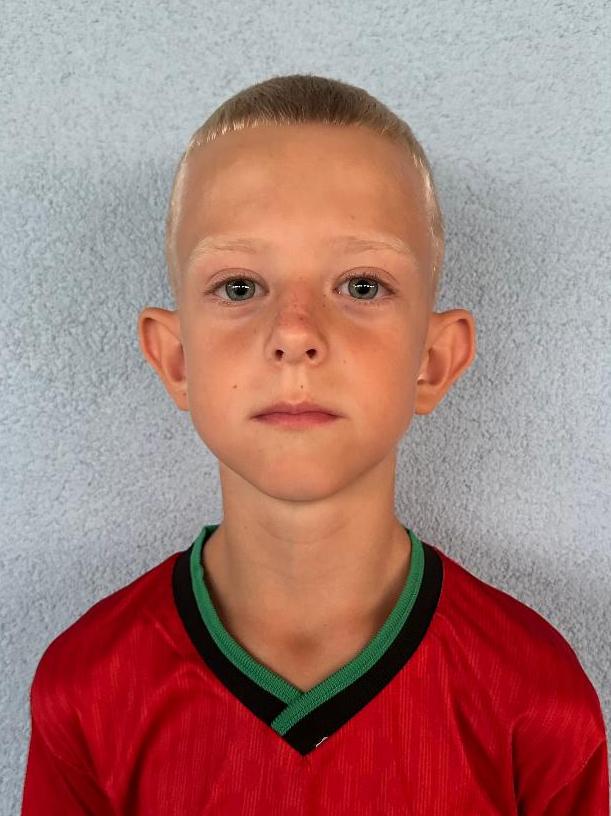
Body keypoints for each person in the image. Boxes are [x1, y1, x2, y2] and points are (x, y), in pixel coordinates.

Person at [21, 73, 608, 815]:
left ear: (433, 361)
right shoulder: (86, 689)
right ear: (176, 360)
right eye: (240, 287)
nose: (295, 333)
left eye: (361, 286)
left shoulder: (536, 698)